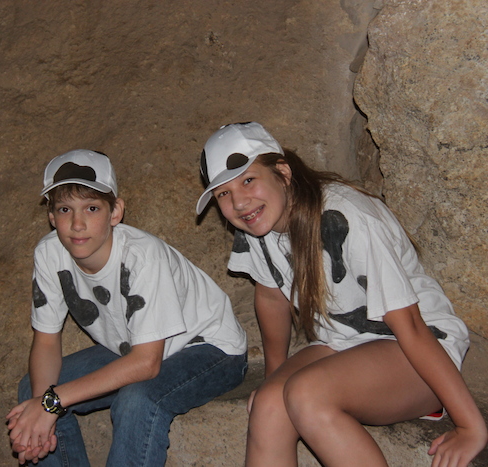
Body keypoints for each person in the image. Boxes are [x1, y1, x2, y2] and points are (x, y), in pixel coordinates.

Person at [195, 122, 488, 467]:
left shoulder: (350, 216)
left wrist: (470, 426)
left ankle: (425, 398)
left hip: (416, 347)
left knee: (307, 394)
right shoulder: (257, 224)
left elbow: (408, 322)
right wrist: (275, 375)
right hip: (343, 342)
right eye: (223, 194)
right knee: (269, 404)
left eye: (248, 180)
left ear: (283, 172)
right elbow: (271, 296)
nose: (239, 202)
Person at [7, 149, 248, 466]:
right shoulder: (49, 254)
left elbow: (147, 365)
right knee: (32, 389)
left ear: (115, 212)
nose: (78, 223)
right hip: (134, 347)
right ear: (52, 217)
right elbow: (47, 340)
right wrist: (42, 408)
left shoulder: (142, 255)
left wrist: (52, 403)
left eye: (92, 208)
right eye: (65, 209)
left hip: (212, 350)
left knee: (136, 399)